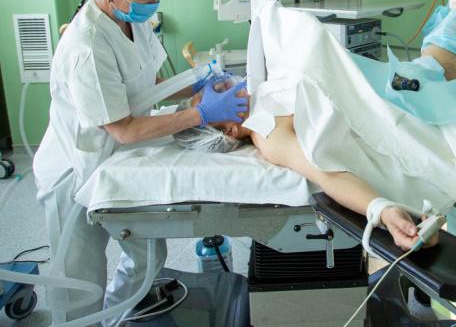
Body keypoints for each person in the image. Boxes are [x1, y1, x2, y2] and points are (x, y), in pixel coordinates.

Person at [33, 0, 248, 325]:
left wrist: (198, 83)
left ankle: (117, 315)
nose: (152, 2)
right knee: (79, 280)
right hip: (76, 168)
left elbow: (152, 81)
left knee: (149, 257)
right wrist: (201, 114)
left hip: (120, 161)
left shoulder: (133, 20)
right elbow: (125, 130)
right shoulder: (87, 47)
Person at [174, 78, 436, 251]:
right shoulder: (269, 135)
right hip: (409, 121)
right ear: (229, 131)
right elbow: (327, 175)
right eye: (212, 100)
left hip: (395, 86)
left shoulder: (259, 86)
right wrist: (382, 210)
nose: (221, 87)